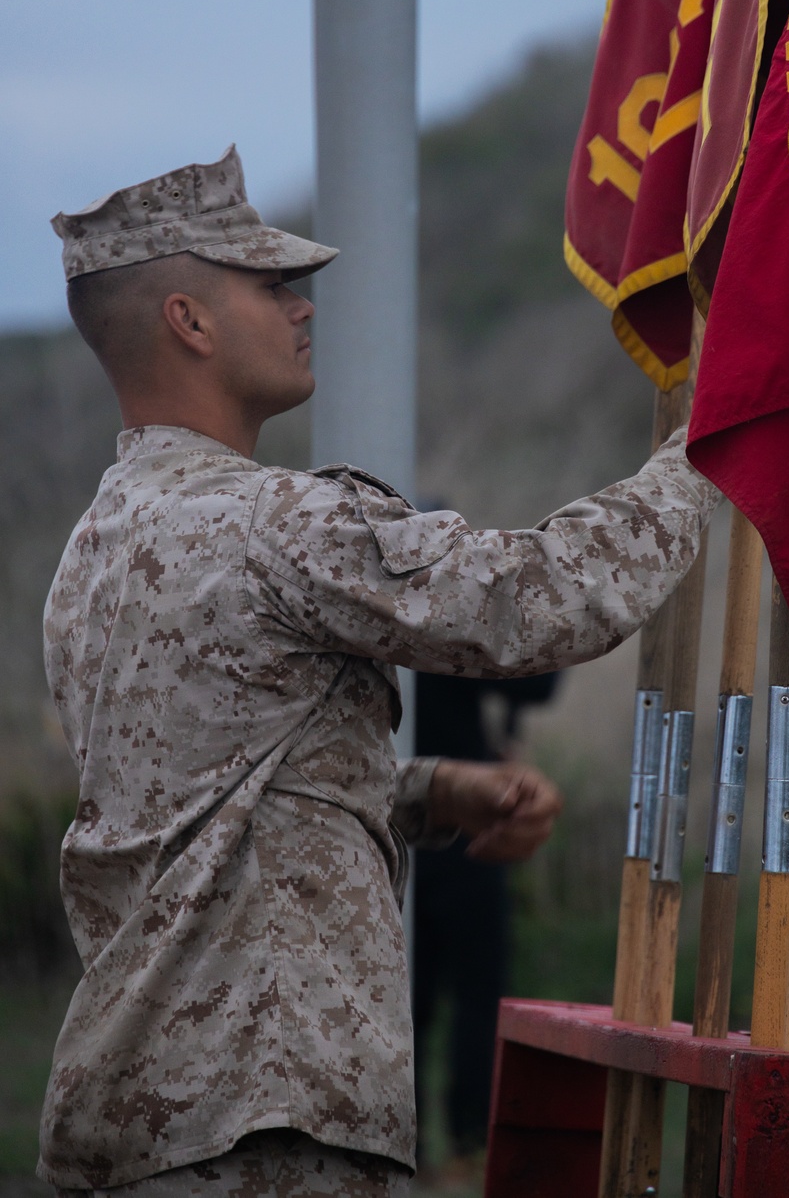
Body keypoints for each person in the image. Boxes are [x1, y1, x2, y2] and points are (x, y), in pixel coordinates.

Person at [39, 146, 719, 1197]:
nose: (302, 308)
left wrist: (431, 790)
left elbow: (202, 798)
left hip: (145, 1116)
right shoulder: (273, 521)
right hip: (270, 1117)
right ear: (190, 321)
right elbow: (531, 601)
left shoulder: (92, 554)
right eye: (272, 285)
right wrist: (699, 454)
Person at [413, 668, 561, 1179]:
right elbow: (534, 682)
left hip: (399, 817)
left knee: (406, 997)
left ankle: (411, 1148)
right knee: (477, 994)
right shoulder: (440, 609)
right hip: (462, 821)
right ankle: (467, 1141)